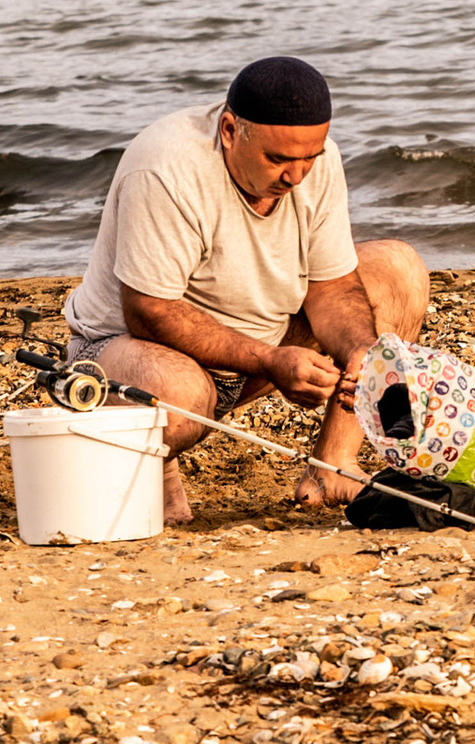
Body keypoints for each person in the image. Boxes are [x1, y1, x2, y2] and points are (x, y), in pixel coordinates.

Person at [65, 57, 429, 525]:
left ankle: (332, 467)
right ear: (230, 129)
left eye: (308, 158)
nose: (296, 176)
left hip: (259, 346)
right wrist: (269, 361)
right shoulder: (166, 167)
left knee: (399, 270)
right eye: (278, 159)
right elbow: (149, 311)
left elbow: (332, 285)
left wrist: (361, 349)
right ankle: (160, 466)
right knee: (177, 400)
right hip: (129, 352)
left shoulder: (317, 163)